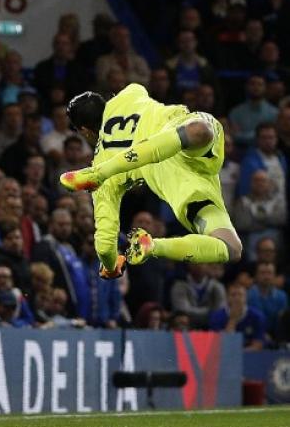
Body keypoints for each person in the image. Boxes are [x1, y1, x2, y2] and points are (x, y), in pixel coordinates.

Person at [61, 84, 243, 279]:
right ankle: (152, 246)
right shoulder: (132, 91)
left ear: (85, 131)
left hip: (178, 183)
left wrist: (110, 266)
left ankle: (153, 245)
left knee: (231, 249)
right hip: (178, 140)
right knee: (200, 130)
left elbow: (105, 246)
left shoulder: (102, 161)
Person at [209, 283, 265, 351]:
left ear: (246, 298)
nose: (237, 298)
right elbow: (219, 346)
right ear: (227, 298)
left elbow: (258, 345)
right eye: (233, 295)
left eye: (240, 295)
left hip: (249, 354)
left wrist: (238, 353)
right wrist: (232, 320)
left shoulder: (257, 316)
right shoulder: (216, 317)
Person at [168, 264, 226, 329]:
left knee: (219, 317)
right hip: (187, 325)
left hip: (211, 325)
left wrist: (212, 314)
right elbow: (182, 310)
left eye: (202, 263)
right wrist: (209, 312)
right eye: (196, 263)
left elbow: (220, 309)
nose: (200, 266)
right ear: (190, 265)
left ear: (208, 266)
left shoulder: (217, 286)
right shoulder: (179, 285)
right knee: (181, 319)